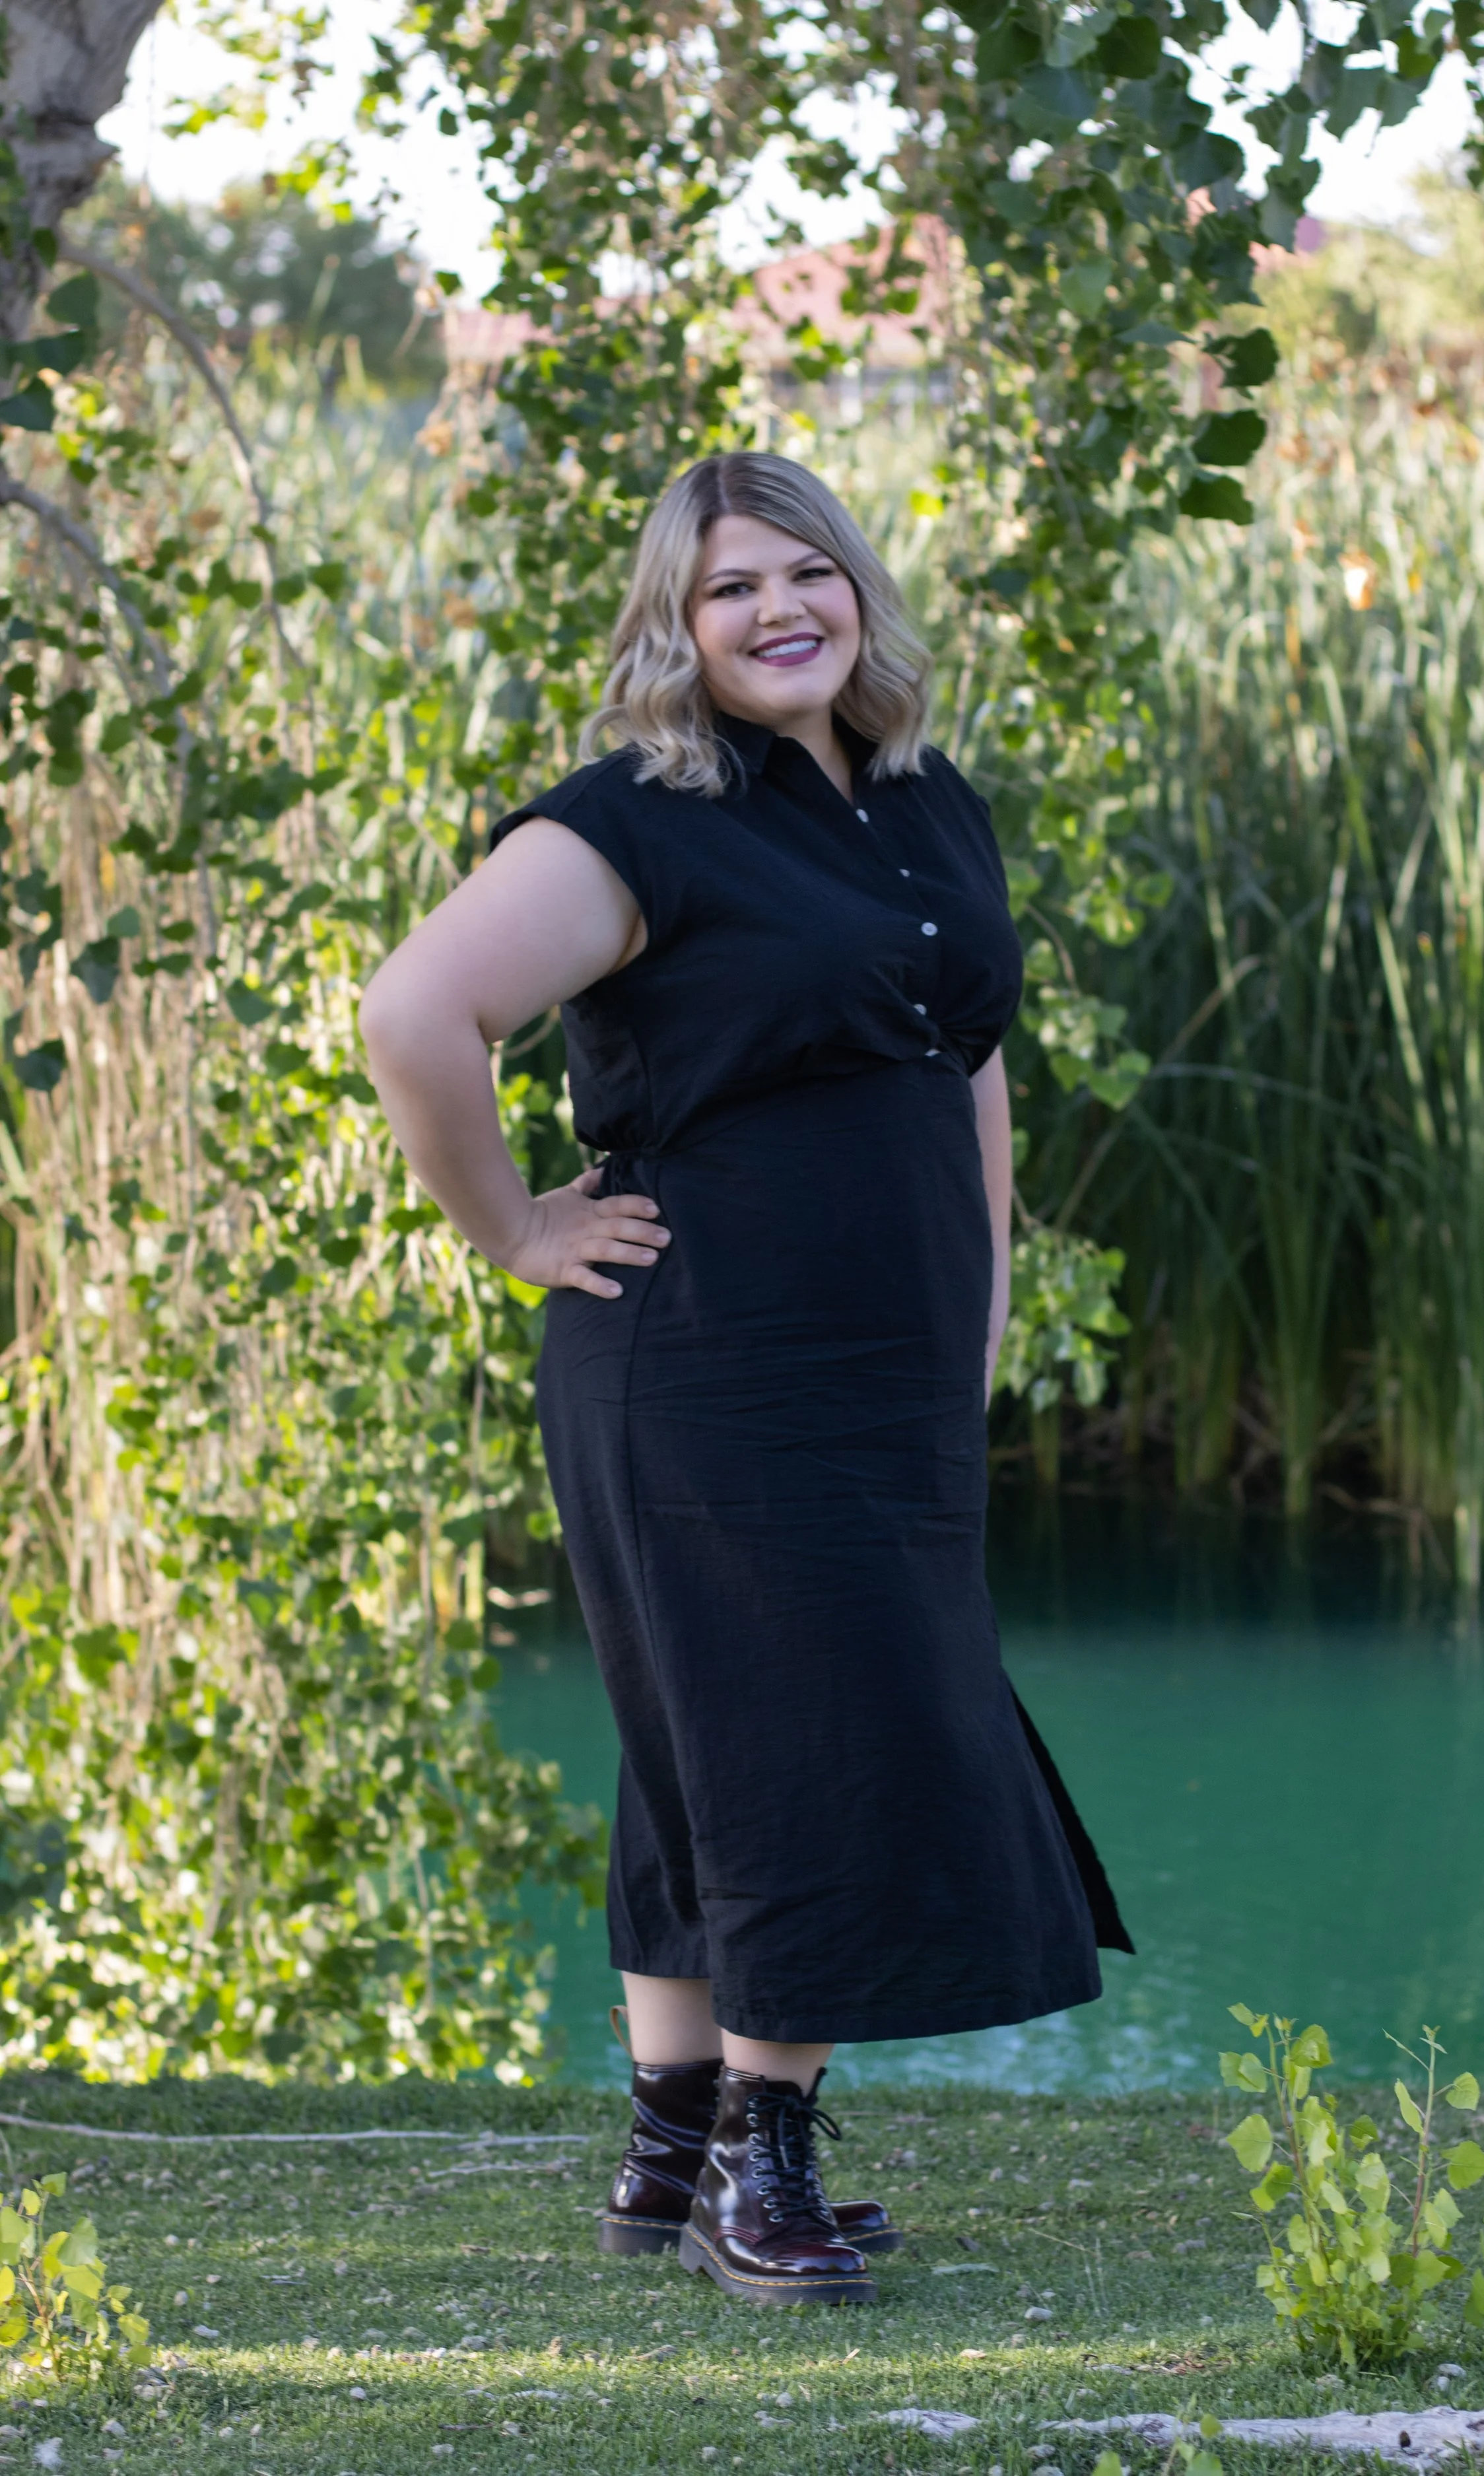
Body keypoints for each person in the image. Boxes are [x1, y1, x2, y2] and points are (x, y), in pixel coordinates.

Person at [361, 451, 1131, 2310]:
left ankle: (666, 2141)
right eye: (730, 588)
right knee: (811, 1736)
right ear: (674, 624)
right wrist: (515, 1233)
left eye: (809, 571)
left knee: (706, 1740)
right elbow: (414, 1011)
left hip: (883, 1360)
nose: (780, 607)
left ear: (858, 589)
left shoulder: (923, 800)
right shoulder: (643, 815)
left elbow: (967, 1057)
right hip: (707, 1356)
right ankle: (754, 2172)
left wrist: (982, 1289)